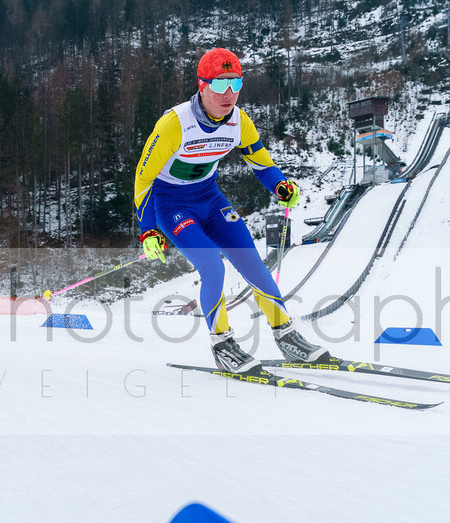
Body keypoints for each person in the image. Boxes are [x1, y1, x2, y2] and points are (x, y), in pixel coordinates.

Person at [134, 47, 328, 374]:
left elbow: (262, 164)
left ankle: (286, 335)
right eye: (220, 85)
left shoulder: (239, 122)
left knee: (252, 261)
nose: (228, 95)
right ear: (202, 86)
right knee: (213, 265)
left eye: (235, 84)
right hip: (172, 204)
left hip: (210, 199)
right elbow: (143, 177)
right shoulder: (175, 124)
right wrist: (148, 228)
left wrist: (281, 185)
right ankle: (222, 343)